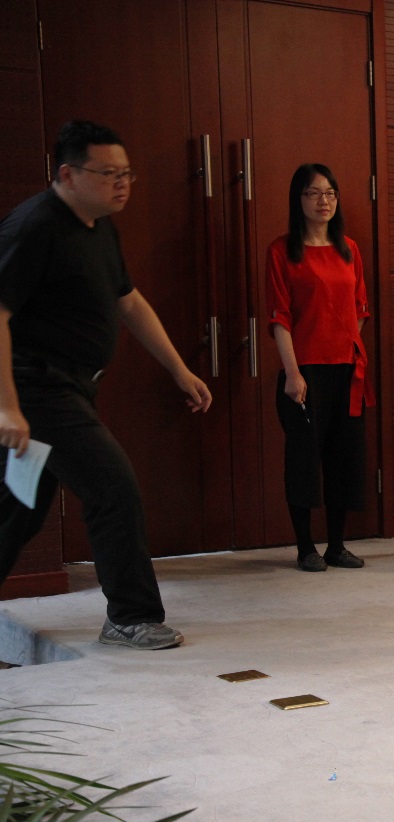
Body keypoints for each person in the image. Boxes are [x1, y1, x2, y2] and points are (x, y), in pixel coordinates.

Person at [0, 120, 212, 650]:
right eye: (109, 173)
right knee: (112, 485)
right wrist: (8, 407)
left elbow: (129, 302)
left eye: (127, 173)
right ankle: (130, 615)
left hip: (69, 389)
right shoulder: (33, 228)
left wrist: (179, 369)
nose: (122, 183)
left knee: (17, 510)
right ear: (68, 174)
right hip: (38, 390)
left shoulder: (98, 225)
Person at [267, 163, 374, 573]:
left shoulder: (349, 249)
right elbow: (279, 317)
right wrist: (293, 373)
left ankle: (337, 545)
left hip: (346, 369)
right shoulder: (282, 250)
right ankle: (304, 546)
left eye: (329, 193)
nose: (323, 201)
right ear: (298, 200)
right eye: (313, 193)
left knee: (342, 458)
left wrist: (347, 344)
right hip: (305, 371)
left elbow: (359, 308)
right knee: (303, 459)